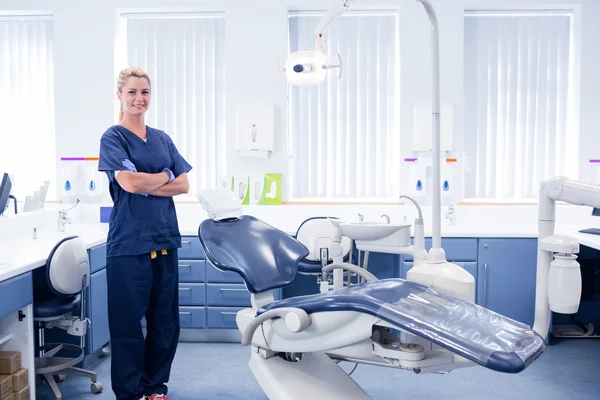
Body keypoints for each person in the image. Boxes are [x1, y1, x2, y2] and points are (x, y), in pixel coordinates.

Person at [98, 66, 192, 400]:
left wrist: (151, 182)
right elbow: (128, 182)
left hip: (164, 239)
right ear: (120, 96)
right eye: (133, 92)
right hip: (129, 244)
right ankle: (131, 392)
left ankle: (155, 387)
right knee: (127, 327)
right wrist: (163, 176)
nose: (140, 99)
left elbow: (184, 183)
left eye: (145, 92)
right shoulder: (113, 137)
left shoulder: (163, 138)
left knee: (165, 325)